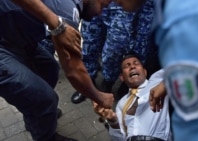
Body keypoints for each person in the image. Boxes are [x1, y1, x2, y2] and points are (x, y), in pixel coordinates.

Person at [116, 0, 198, 141]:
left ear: (145, 70)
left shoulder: (189, 20)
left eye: (135, 63)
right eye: (126, 66)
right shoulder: (183, 18)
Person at [0, 0, 114, 141]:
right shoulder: (68, 11)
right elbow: (74, 71)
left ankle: (36, 117)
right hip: (4, 47)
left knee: (49, 69)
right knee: (45, 99)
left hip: (16, 40)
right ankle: (46, 137)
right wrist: (99, 97)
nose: (100, 13)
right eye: (103, 6)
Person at [71, 0, 155, 104]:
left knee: (114, 50)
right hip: (97, 3)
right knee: (89, 42)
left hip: (124, 8)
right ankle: (87, 83)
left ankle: (108, 84)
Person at [93, 53, 171, 141]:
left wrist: (166, 84)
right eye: (127, 66)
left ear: (145, 72)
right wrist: (113, 121)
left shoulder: (156, 80)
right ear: (122, 77)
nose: (132, 67)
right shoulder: (121, 103)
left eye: (136, 63)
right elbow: (119, 139)